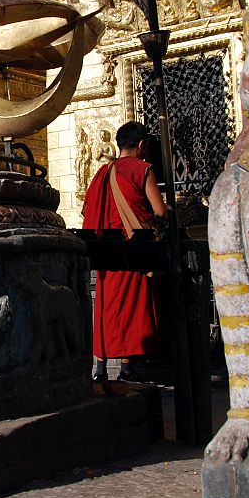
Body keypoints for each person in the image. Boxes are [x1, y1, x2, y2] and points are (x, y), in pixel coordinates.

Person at [82, 121, 168, 383]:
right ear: (141, 145)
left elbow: (88, 210)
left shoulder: (100, 174)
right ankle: (128, 365)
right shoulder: (142, 169)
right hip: (131, 248)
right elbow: (160, 212)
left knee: (106, 305)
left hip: (104, 250)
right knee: (131, 306)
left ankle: (101, 365)